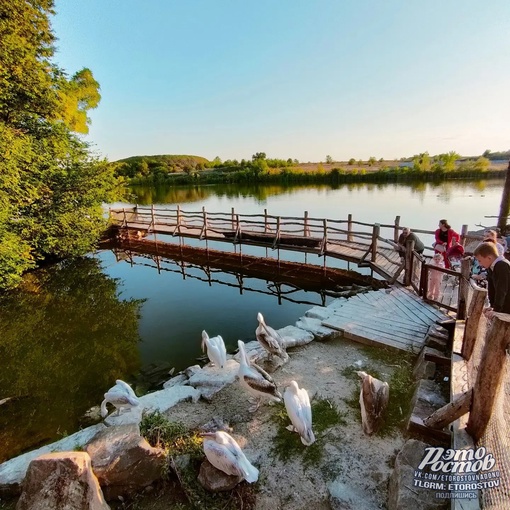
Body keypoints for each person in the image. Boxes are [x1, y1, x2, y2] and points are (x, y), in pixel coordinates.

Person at [473, 242, 510, 317]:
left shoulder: (502, 265)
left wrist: (496, 309)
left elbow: (502, 289)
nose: (480, 264)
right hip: (503, 306)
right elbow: (491, 288)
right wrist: (492, 306)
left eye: (480, 260)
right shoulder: (491, 266)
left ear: (489, 258)